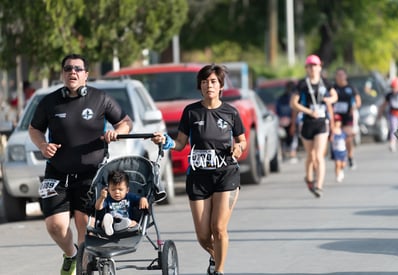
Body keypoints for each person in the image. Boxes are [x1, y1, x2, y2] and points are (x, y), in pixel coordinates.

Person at [28, 53, 133, 275]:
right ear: (62, 74)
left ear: (86, 74)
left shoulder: (100, 98)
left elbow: (125, 122)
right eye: (68, 68)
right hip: (57, 173)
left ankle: (85, 269)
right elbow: (34, 128)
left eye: (77, 69)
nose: (72, 72)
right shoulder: (50, 101)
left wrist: (116, 132)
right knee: (55, 226)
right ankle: (71, 255)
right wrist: (42, 145)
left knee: (84, 225)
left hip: (90, 174)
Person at [152, 64, 245, 275]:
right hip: (198, 178)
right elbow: (180, 143)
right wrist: (165, 141)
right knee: (203, 236)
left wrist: (238, 148)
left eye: (212, 81)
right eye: (204, 82)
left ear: (220, 85)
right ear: (200, 86)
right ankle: (215, 255)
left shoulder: (230, 112)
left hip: (226, 175)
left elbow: (242, 140)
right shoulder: (191, 111)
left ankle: (219, 271)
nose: (208, 86)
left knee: (218, 228)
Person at [290, 54, 337, 198]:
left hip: (322, 122)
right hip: (307, 122)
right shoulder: (302, 84)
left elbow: (335, 96)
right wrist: (309, 111)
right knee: (310, 155)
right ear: (306, 68)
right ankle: (308, 177)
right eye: (310, 66)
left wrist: (329, 100)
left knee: (319, 155)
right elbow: (294, 103)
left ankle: (319, 185)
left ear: (320, 67)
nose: (312, 68)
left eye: (315, 65)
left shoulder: (325, 83)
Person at [95, 170, 149, 236]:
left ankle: (121, 226)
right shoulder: (107, 199)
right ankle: (108, 226)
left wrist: (143, 199)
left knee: (131, 222)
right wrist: (102, 198)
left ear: (127, 190)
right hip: (111, 222)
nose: (117, 192)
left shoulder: (129, 197)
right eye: (113, 189)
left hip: (125, 221)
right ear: (108, 189)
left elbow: (139, 200)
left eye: (120, 189)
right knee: (106, 218)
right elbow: (98, 207)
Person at [333, 68, 361, 169]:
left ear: (345, 76)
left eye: (342, 75)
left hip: (348, 115)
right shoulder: (333, 88)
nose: (340, 77)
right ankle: (338, 156)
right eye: (338, 75)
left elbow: (358, 101)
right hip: (336, 116)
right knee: (337, 136)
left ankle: (350, 156)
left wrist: (354, 107)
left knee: (348, 138)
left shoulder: (351, 88)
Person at [378, 77, 398, 152]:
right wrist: (380, 113)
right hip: (392, 113)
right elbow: (384, 104)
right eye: (392, 88)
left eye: (395, 87)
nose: (394, 89)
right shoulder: (389, 95)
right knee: (393, 128)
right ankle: (392, 144)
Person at [275, 80, 299, 163]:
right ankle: (290, 153)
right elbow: (294, 110)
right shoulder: (293, 97)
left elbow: (277, 110)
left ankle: (286, 153)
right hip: (289, 121)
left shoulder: (282, 97)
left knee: (287, 137)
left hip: (285, 121)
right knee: (290, 137)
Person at [331, 114, 347, 182]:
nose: (336, 123)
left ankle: (341, 171)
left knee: (343, 164)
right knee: (337, 164)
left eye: (338, 121)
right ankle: (337, 175)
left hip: (343, 150)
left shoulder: (342, 131)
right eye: (335, 121)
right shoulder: (332, 132)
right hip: (336, 150)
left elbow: (345, 140)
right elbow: (330, 139)